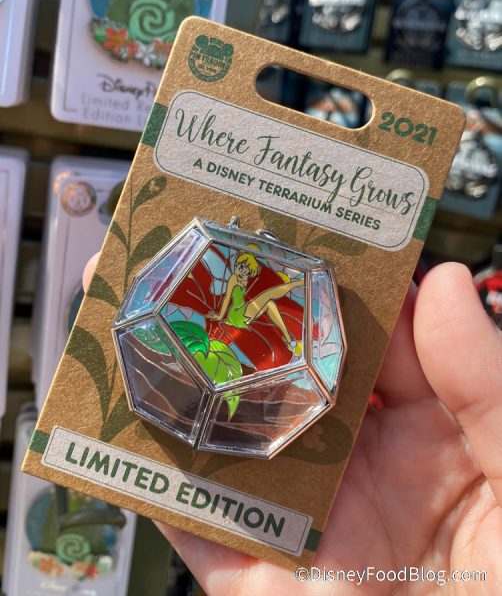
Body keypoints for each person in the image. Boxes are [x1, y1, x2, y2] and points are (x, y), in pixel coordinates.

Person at [83, 256, 502, 593]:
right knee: (267, 304)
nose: (243, 274)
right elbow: (230, 309)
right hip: (224, 336)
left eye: (245, 270)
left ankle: (293, 299)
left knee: (271, 304)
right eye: (242, 269)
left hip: (247, 353)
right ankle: (292, 296)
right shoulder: (236, 287)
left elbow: (254, 305)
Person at [207, 250, 304, 352]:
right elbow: (227, 298)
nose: (242, 273)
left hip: (244, 310)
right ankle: (295, 284)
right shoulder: (233, 278)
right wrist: (220, 316)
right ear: (236, 265)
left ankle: (287, 338)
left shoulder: (245, 279)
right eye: (241, 267)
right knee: (268, 295)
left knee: (270, 304)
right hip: (236, 314)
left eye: (247, 272)